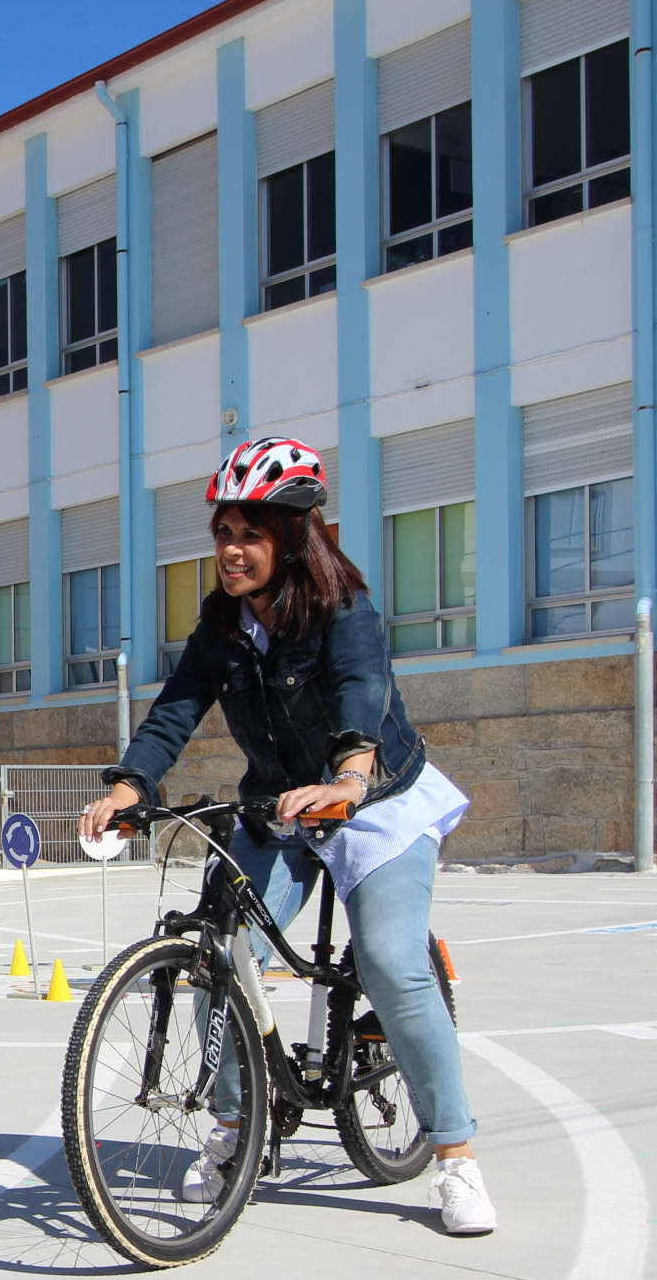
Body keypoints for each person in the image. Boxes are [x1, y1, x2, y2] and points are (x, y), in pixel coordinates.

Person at [78, 435, 495, 1237]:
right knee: (221, 951)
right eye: (224, 535)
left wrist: (349, 776)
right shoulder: (222, 629)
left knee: (391, 963)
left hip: (373, 803)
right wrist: (131, 785)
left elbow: (360, 689)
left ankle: (456, 1157)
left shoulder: (344, 611)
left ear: (293, 536)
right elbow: (174, 711)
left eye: (251, 535)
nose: (232, 552)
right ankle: (234, 1129)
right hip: (279, 806)